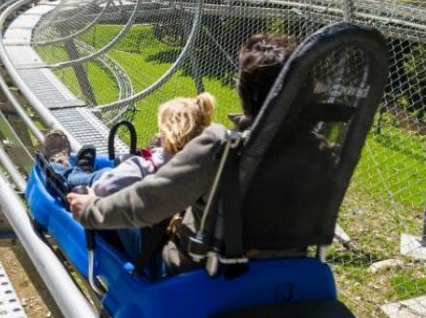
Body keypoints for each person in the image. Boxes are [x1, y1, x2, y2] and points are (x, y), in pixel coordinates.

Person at [66, 33, 296, 276]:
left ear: (243, 89)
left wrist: (91, 209)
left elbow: (146, 203)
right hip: (283, 268)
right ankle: (79, 172)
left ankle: (66, 169)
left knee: (117, 187)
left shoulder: (222, 146)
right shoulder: (320, 151)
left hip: (194, 268)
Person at [41, 93, 216, 196]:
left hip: (130, 225)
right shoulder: (209, 167)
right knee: (119, 166)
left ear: (167, 136)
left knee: (102, 174)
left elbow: (100, 190)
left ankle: (60, 164)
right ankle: (84, 169)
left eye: (161, 133)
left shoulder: (145, 170)